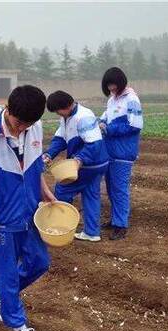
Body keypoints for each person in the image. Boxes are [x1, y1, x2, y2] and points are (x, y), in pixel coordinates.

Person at [0, 85, 56, 331]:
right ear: (7, 109)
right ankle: (19, 326)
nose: (21, 129)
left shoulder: (35, 128)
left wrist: (44, 193)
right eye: (18, 123)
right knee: (6, 274)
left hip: (29, 212)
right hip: (1, 219)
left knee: (40, 262)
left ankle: (4, 294)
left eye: (27, 124)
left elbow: (35, 168)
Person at [42, 91, 109, 242]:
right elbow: (60, 138)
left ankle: (60, 227)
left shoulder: (83, 117)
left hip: (89, 165)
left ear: (66, 106)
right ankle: (92, 232)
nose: (58, 114)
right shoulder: (67, 117)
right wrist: (49, 154)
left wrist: (79, 160)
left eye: (58, 111)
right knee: (91, 194)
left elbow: (94, 144)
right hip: (98, 163)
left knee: (63, 189)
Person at [99, 67, 143, 240]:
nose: (111, 89)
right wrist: (101, 122)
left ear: (121, 82)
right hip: (110, 151)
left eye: (114, 85)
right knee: (111, 188)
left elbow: (134, 125)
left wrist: (109, 129)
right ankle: (115, 219)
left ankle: (121, 225)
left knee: (119, 190)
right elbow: (105, 117)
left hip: (123, 152)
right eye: (108, 86)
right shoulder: (112, 100)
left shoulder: (131, 99)